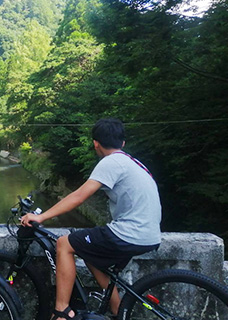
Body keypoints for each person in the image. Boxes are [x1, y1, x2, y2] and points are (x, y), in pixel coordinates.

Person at [21, 118, 161, 320]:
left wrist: (41, 216)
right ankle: (120, 311)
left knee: (64, 243)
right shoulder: (132, 162)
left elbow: (78, 196)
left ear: (96, 143)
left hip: (129, 233)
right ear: (122, 143)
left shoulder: (111, 162)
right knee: (90, 253)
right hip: (149, 234)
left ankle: (61, 311)